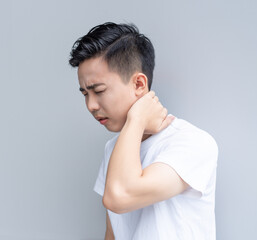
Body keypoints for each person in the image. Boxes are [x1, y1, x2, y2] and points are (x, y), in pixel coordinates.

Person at [68, 22, 218, 240]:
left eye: (98, 91)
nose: (91, 105)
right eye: (85, 94)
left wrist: (137, 118)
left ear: (139, 84)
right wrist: (134, 124)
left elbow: (119, 197)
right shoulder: (114, 148)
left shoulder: (192, 142)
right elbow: (113, 233)